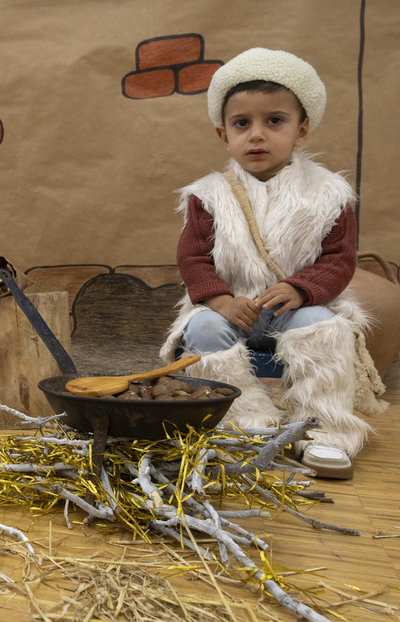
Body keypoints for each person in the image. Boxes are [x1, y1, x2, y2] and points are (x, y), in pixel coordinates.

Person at [159, 47, 387, 478]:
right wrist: (220, 300)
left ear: (301, 131)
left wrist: (301, 288)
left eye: (274, 121)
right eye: (242, 124)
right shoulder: (209, 196)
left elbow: (340, 259)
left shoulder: (329, 195)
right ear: (223, 135)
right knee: (203, 328)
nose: (257, 135)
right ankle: (244, 423)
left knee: (322, 324)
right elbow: (192, 258)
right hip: (232, 310)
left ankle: (324, 431)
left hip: (293, 310)